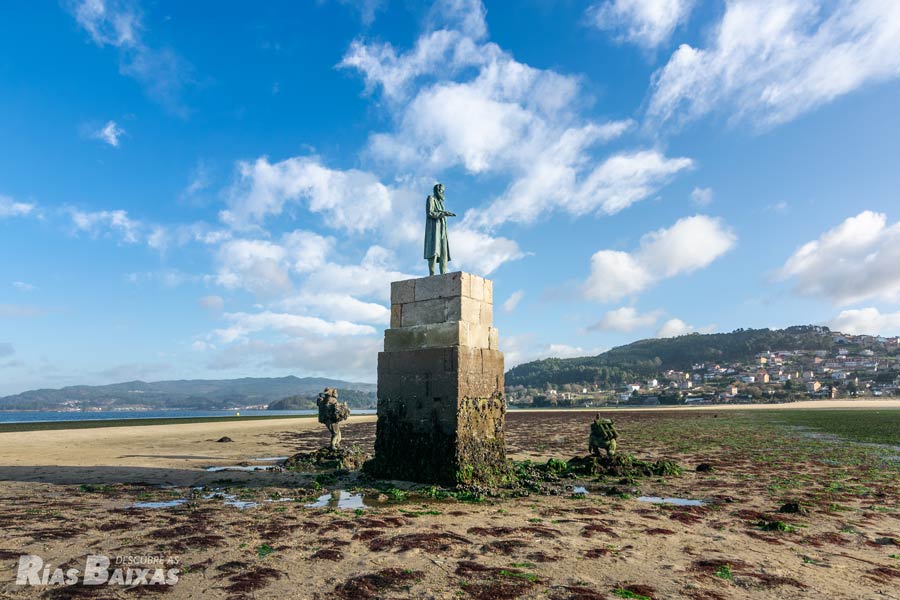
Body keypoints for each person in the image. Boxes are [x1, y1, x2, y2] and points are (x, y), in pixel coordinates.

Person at [424, 183, 456, 275]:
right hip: (434, 229)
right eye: (441, 191)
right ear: (437, 190)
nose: (442, 193)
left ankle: (444, 274)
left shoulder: (441, 204)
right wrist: (443, 214)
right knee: (433, 250)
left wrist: (445, 213)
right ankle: (432, 274)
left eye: (443, 191)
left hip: (442, 229)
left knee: (443, 252)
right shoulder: (431, 198)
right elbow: (430, 212)